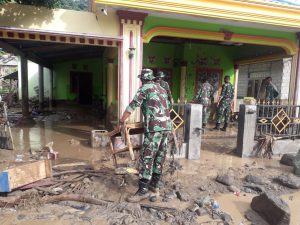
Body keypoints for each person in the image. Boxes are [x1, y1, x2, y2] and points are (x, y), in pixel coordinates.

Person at [118, 68, 172, 203]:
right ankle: (154, 185)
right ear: (152, 78)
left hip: (154, 128)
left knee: (147, 157)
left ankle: (143, 190)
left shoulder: (145, 88)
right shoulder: (162, 88)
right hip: (167, 127)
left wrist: (121, 121)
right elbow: (169, 106)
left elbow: (133, 105)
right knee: (160, 156)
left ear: (142, 79)